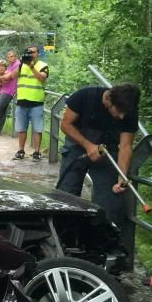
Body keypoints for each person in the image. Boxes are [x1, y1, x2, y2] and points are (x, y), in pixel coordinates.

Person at [57, 83, 141, 228]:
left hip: (107, 154)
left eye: (125, 113)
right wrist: (88, 145)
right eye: (119, 111)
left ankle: (102, 239)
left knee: (110, 202)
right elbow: (65, 124)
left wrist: (122, 178)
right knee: (67, 195)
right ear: (109, 100)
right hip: (77, 147)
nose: (122, 117)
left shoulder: (129, 110)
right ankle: (62, 234)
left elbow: (126, 147)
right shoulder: (84, 96)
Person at [12, 46, 48, 160]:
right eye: (28, 52)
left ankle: (37, 152)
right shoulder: (22, 65)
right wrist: (21, 64)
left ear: (38, 53)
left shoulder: (43, 65)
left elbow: (42, 78)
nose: (30, 54)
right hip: (22, 101)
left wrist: (32, 67)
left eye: (32, 52)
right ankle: (21, 150)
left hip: (36, 102)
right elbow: (12, 76)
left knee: (37, 129)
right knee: (21, 128)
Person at [0, 51, 19, 137]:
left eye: (12, 56)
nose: (10, 58)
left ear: (16, 57)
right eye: (9, 57)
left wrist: (2, 77)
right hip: (4, 89)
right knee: (2, 110)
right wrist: (3, 78)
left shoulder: (17, 64)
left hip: (9, 90)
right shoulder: (10, 67)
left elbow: (9, 77)